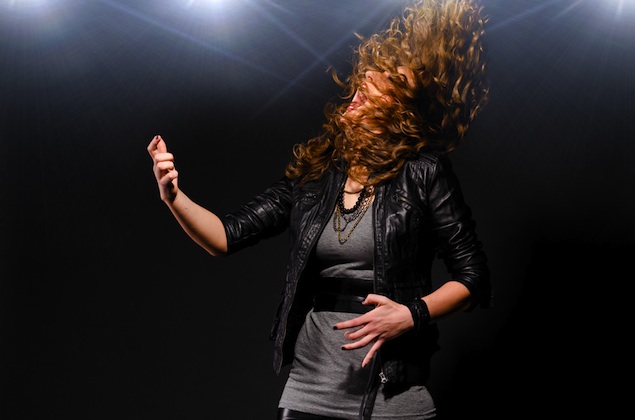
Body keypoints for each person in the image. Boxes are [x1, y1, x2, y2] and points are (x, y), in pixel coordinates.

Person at [147, 0, 492, 418]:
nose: (367, 78)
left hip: (390, 393)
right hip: (309, 389)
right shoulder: (317, 175)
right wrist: (174, 196)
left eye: (387, 79)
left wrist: (411, 314)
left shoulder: (424, 173)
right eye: (368, 73)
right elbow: (225, 236)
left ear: (402, 110)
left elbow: (474, 279)